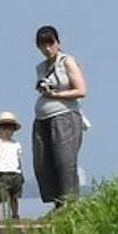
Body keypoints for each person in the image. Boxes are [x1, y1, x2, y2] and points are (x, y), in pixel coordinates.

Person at [31, 25, 88, 208]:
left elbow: (81, 90)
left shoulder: (67, 61)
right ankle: (57, 204)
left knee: (65, 162)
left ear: (58, 42)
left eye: (51, 43)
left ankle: (70, 205)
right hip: (42, 119)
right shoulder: (41, 67)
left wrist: (56, 95)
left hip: (65, 117)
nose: (47, 49)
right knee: (43, 163)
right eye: (43, 45)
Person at [0, 113, 26, 223]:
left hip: (15, 172)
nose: (7, 131)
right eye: (4, 128)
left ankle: (15, 215)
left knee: (14, 196)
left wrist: (20, 172)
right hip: (1, 172)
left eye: (10, 128)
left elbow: (18, 158)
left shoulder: (16, 143)